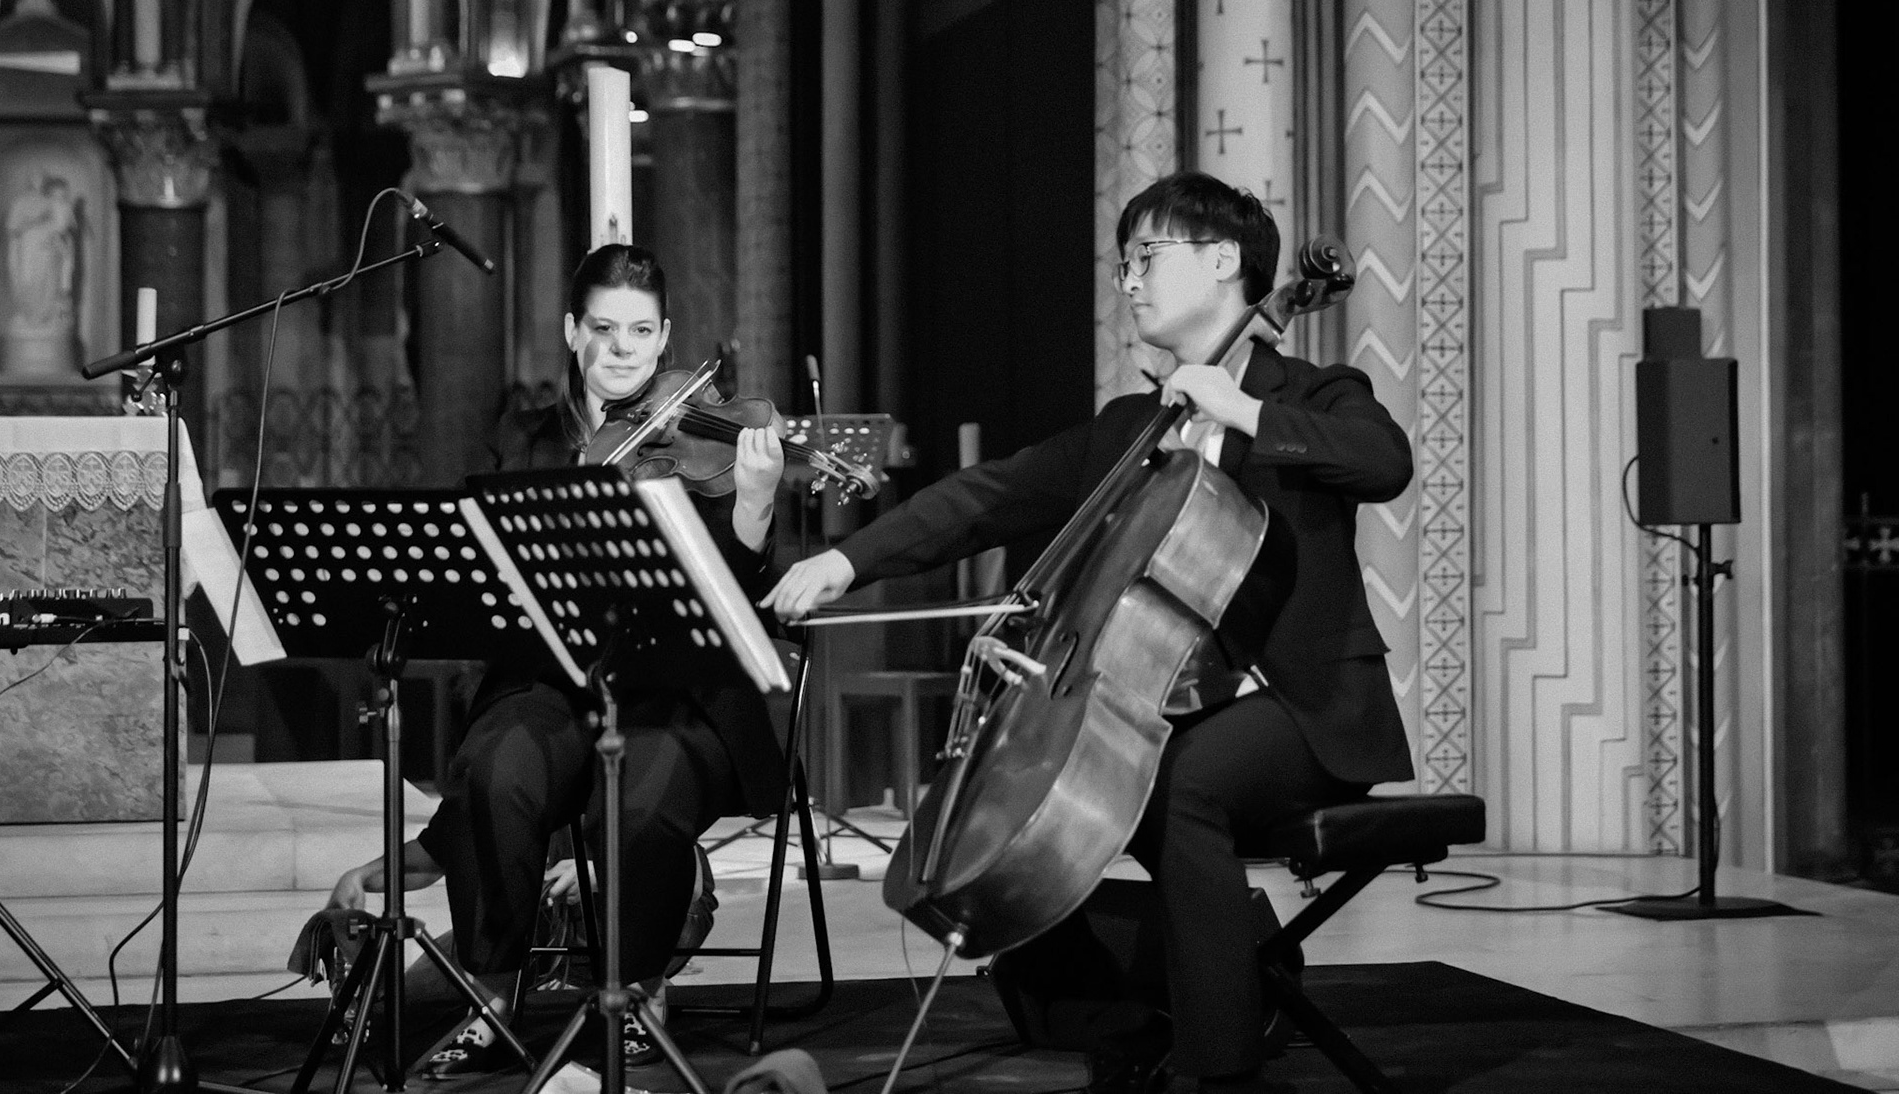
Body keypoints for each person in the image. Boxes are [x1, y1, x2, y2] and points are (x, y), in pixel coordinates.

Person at [764, 171, 1414, 1094]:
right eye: (1125, 266)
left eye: (1147, 257)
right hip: (1172, 705)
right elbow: (986, 497)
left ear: (1225, 262)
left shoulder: (1314, 392)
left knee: (1176, 787)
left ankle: (1216, 1073)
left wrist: (1243, 412)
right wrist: (847, 563)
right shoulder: (1130, 428)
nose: (1131, 282)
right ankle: (1181, 993)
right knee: (1052, 808)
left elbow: (1385, 462)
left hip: (1305, 709)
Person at [328, 244, 790, 1077]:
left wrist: (754, 506)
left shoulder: (706, 441)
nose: (623, 350)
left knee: (643, 799)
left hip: (677, 696)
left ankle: (640, 992)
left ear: (665, 337)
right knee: (495, 765)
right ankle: (491, 997)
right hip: (551, 681)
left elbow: (736, 595)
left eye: (642, 332)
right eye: (605, 329)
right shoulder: (529, 440)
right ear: (573, 332)